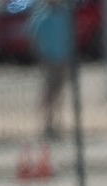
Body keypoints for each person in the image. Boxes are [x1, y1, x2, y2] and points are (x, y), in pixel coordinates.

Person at [28, 0, 74, 140]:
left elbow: (69, 37)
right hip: (49, 60)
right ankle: (47, 123)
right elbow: (35, 38)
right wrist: (42, 56)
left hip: (62, 58)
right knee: (49, 92)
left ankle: (58, 123)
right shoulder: (42, 16)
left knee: (59, 91)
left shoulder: (64, 15)